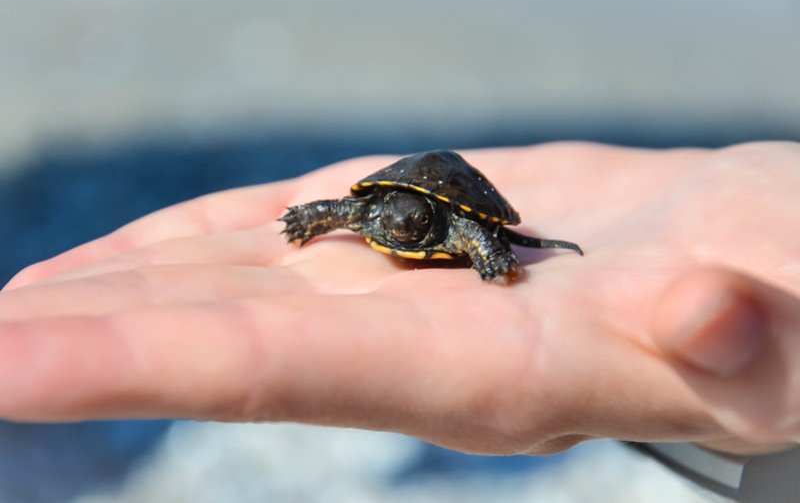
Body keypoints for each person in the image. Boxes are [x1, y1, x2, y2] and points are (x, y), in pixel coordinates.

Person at [0, 141, 797, 459]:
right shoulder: (378, 213)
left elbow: (492, 237)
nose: (394, 223)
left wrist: (493, 257)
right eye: (392, 216)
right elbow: (345, 211)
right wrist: (309, 220)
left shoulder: (448, 223)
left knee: (500, 246)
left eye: (406, 219)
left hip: (467, 203)